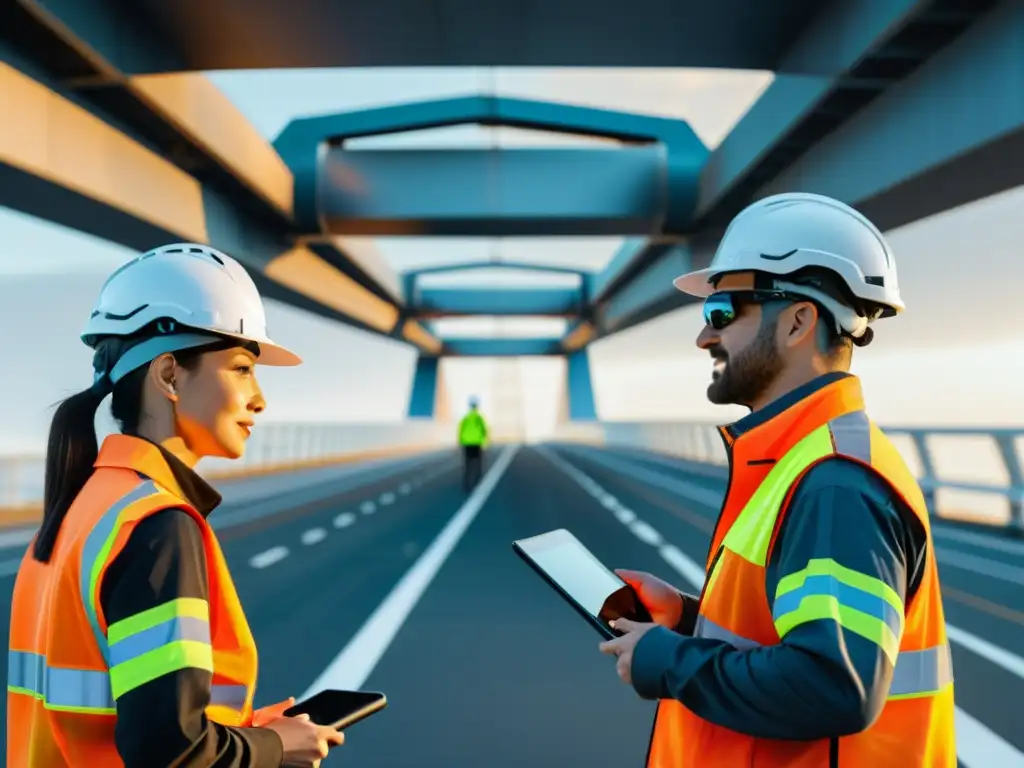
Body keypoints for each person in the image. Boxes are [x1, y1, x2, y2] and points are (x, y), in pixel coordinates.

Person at [597, 193, 955, 767]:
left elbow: (834, 684)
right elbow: (797, 637)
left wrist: (670, 661)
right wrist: (688, 619)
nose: (704, 337)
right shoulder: (802, 461)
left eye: (722, 313)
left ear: (797, 321)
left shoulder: (834, 481)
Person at [7, 243, 345, 767]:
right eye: (240, 367)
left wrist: (254, 730)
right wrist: (275, 749)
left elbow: (124, 718)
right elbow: (170, 751)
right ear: (168, 375)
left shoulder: (81, 512)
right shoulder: (156, 526)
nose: (260, 398)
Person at [458, 396, 488, 492]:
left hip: (466, 443)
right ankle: (477, 483)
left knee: (468, 464)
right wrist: (485, 441)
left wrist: (460, 442)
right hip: (477, 443)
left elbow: (460, 430)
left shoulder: (465, 418)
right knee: (477, 463)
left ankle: (466, 485)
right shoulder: (479, 418)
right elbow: (485, 430)